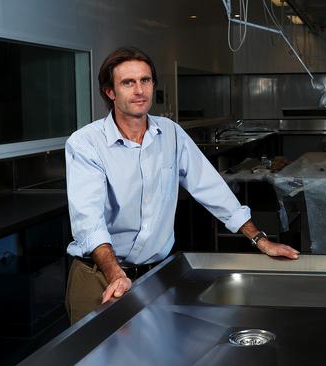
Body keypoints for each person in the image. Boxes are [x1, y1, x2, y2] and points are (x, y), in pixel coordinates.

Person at [64, 46, 299, 324]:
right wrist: (116, 274)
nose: (139, 90)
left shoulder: (171, 133)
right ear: (110, 92)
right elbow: (89, 222)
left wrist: (260, 240)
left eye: (145, 80)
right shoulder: (85, 144)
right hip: (100, 278)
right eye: (128, 82)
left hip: (154, 275)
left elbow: (211, 188)